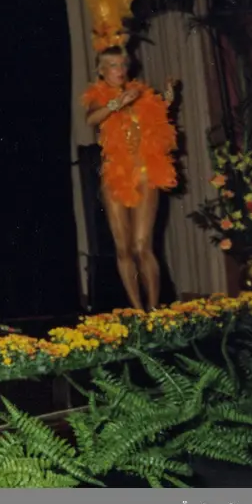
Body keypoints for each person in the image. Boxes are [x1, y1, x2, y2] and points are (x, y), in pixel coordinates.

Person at [83, 46, 177, 311]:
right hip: (115, 176)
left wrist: (168, 98)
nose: (120, 70)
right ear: (101, 71)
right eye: (113, 65)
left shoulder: (141, 94)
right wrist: (116, 103)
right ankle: (137, 310)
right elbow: (91, 118)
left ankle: (154, 309)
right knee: (123, 248)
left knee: (141, 245)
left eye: (123, 64)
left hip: (145, 174)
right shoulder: (98, 97)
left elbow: (158, 116)